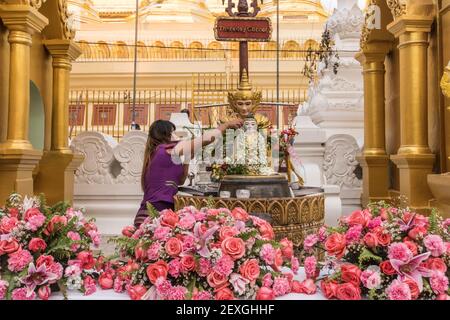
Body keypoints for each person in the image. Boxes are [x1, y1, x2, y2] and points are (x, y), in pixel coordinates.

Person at [134, 118, 242, 227]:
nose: (177, 136)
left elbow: (180, 180)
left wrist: (187, 159)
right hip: (154, 214)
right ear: (166, 135)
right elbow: (206, 139)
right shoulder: (163, 150)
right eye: (174, 133)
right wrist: (227, 124)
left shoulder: (162, 153)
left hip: (158, 213)